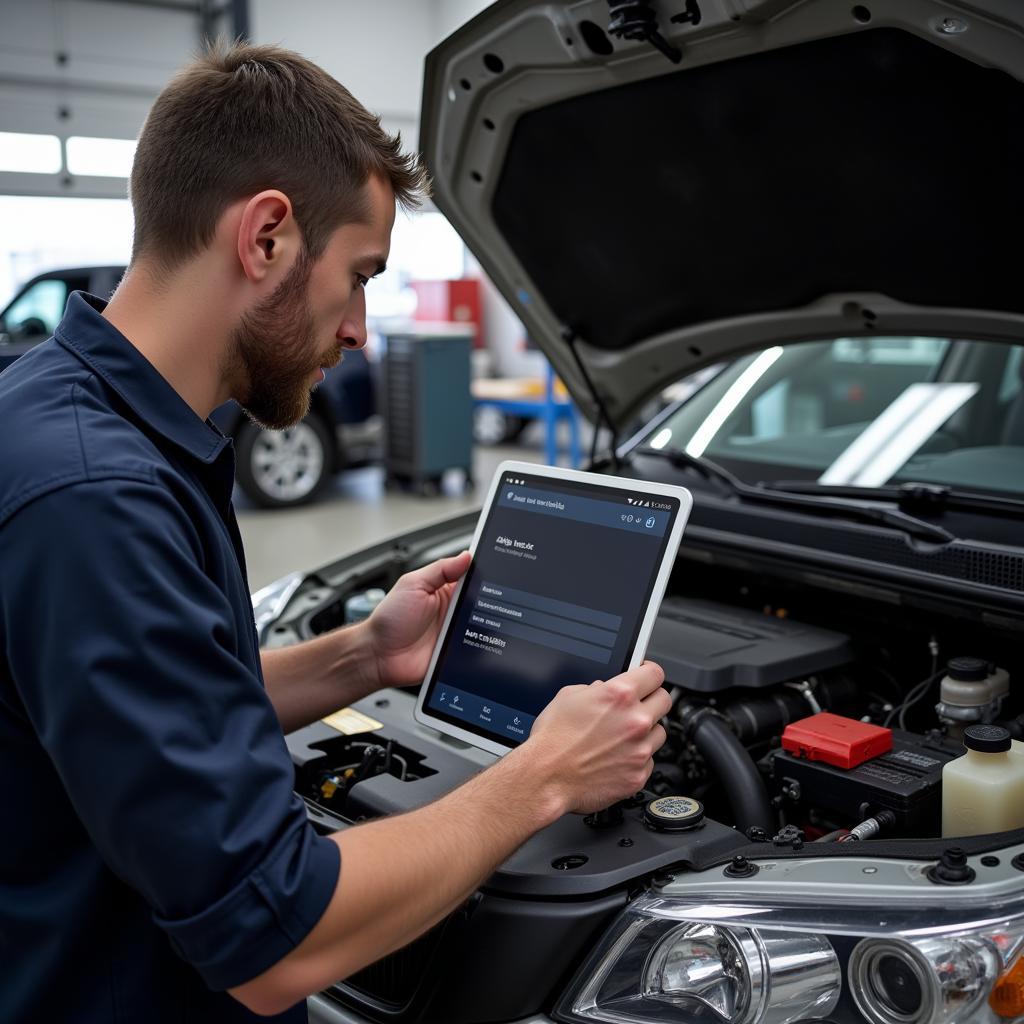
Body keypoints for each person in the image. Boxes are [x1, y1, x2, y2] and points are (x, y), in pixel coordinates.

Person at [0, 44, 669, 1023]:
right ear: (265, 236)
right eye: (358, 275)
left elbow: (162, 712)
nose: (360, 327)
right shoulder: (98, 499)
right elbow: (273, 935)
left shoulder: (63, 411)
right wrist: (544, 775)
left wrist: (364, 654)